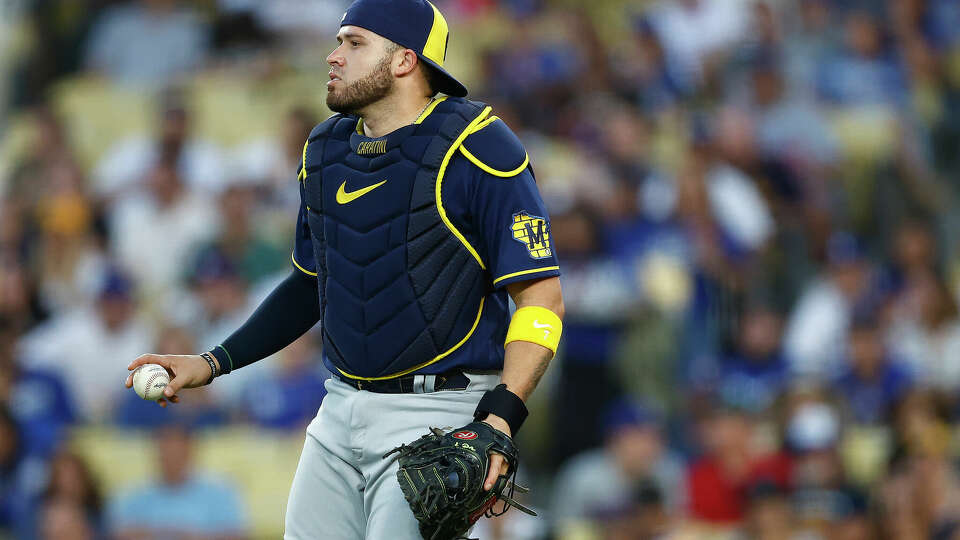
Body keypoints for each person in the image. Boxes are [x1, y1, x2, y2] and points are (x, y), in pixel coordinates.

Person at [125, 0, 565, 538]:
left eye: (354, 43)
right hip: (338, 409)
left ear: (405, 60)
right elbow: (311, 283)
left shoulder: (478, 145)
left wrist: (501, 415)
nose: (334, 56)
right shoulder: (325, 147)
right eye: (339, 41)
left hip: (441, 411)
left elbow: (541, 298)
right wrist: (212, 362)